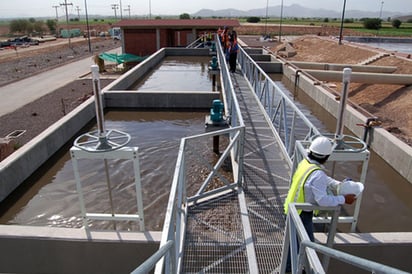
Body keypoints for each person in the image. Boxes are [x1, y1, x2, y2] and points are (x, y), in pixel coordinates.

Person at [283, 136, 357, 272]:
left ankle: (291, 267)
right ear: (326, 157)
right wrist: (343, 199)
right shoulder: (318, 174)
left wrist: (337, 184)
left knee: (294, 243)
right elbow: (322, 200)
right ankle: (291, 269)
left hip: (291, 207)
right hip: (301, 214)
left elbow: (320, 179)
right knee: (308, 245)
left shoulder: (305, 163)